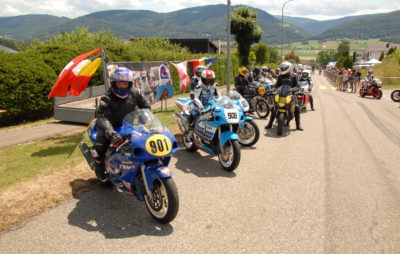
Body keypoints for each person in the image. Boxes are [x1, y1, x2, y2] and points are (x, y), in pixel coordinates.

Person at [94, 67, 149, 183]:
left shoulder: (135, 93)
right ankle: (101, 176)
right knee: (99, 150)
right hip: (110, 128)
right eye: (119, 83)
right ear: (114, 83)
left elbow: (146, 108)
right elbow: (102, 118)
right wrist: (110, 132)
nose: (122, 86)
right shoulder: (106, 98)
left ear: (130, 84)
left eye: (125, 83)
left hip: (129, 126)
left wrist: (148, 121)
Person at [265, 62, 303, 131]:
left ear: (289, 68)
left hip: (290, 95)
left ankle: (298, 125)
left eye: (284, 68)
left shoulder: (293, 76)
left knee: (297, 107)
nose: (282, 69)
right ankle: (270, 124)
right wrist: (273, 89)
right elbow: (276, 85)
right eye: (282, 68)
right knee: (273, 107)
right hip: (281, 94)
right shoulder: (280, 76)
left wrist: (294, 89)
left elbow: (297, 85)